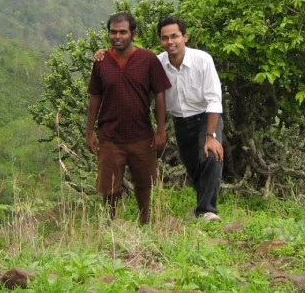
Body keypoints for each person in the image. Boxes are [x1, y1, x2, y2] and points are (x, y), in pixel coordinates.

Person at [95, 15, 225, 221]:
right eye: (165, 38)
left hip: (206, 118)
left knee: (210, 157)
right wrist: (103, 53)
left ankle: (207, 210)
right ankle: (201, 207)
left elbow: (214, 99)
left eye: (175, 36)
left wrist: (211, 135)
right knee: (193, 165)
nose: (170, 42)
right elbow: (128, 59)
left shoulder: (202, 60)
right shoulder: (157, 62)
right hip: (180, 121)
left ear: (185, 37)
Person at [86, 11, 171, 225]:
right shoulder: (102, 61)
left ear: (133, 33)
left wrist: (161, 129)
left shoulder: (148, 59)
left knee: (144, 182)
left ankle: (145, 219)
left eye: (123, 32)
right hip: (110, 135)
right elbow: (95, 97)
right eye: (113, 32)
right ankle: (110, 222)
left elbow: (159, 93)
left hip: (141, 134)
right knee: (109, 186)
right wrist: (89, 133)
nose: (118, 37)